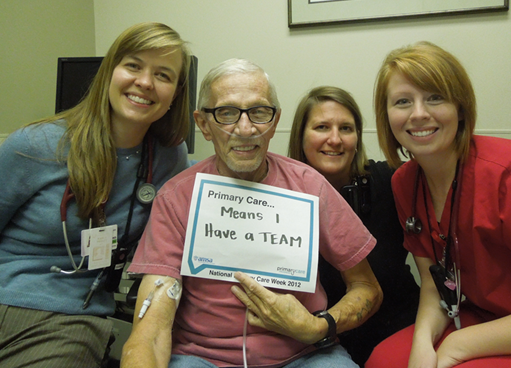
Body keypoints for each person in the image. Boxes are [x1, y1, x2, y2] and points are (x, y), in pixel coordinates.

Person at [121, 58, 383, 368]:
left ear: (274, 122)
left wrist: (317, 326)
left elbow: (367, 288)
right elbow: (151, 328)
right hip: (202, 358)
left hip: (305, 354)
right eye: (226, 113)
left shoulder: (310, 187)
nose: (245, 129)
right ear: (204, 124)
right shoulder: (177, 198)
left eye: (259, 112)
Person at [0, 22, 191, 367]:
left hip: (70, 316)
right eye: (133, 65)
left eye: (163, 75)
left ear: (175, 94)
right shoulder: (34, 145)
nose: (145, 82)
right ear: (109, 72)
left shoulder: (168, 157)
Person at [365, 41, 511, 368]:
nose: (418, 114)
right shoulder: (404, 183)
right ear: (387, 116)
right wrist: (422, 344)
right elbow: (433, 283)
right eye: (402, 101)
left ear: (460, 106)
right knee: (383, 361)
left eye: (434, 97)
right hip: (480, 316)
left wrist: (459, 345)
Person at [288, 86, 419, 365]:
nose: (334, 139)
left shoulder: (389, 181)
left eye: (346, 128)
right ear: (300, 137)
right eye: (322, 127)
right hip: (319, 347)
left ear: (357, 138)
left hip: (399, 330)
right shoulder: (280, 198)